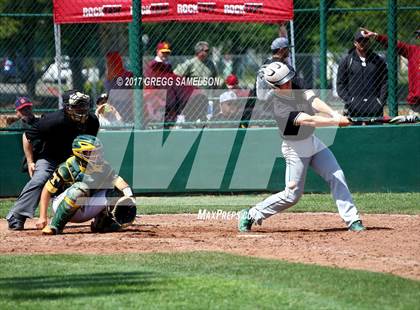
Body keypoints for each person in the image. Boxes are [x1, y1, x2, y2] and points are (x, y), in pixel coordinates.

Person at [238, 62, 365, 233]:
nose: (289, 83)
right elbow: (309, 119)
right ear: (274, 87)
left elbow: (314, 100)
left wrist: (334, 114)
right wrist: (335, 122)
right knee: (292, 196)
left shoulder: (295, 84)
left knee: (337, 176)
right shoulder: (279, 106)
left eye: (289, 79)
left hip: (312, 141)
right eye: (284, 82)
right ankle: (251, 214)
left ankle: (352, 220)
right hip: (295, 148)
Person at [6, 90, 99, 231]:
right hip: (50, 157)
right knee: (40, 179)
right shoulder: (52, 121)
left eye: (84, 105)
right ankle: (16, 215)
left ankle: (103, 215)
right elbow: (27, 137)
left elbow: (89, 144)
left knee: (96, 177)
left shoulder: (92, 121)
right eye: (77, 105)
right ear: (67, 107)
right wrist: (31, 161)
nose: (82, 109)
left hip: (75, 157)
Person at [36, 135, 136, 235]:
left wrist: (129, 195)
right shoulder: (67, 167)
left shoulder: (103, 166)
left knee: (116, 192)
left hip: (86, 208)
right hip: (62, 205)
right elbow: (47, 189)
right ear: (79, 153)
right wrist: (42, 217)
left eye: (98, 152)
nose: (96, 156)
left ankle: (102, 224)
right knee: (80, 188)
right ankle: (55, 226)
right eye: (91, 153)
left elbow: (118, 181)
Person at [361, 28, 420, 113]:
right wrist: (376, 36)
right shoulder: (413, 51)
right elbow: (394, 44)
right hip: (417, 104)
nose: (418, 37)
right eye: (418, 36)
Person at [336, 30, 388, 118]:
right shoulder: (347, 61)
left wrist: (380, 101)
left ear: (369, 42)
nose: (363, 43)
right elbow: (340, 84)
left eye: (365, 40)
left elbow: (385, 82)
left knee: (376, 131)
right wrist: (350, 101)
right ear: (355, 43)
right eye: (360, 41)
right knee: (353, 131)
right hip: (353, 109)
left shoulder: (378, 61)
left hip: (374, 108)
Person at [7, 97, 42, 176]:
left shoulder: (41, 123)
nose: (26, 111)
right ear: (17, 112)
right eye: (22, 109)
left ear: (31, 108)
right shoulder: (13, 127)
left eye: (28, 108)